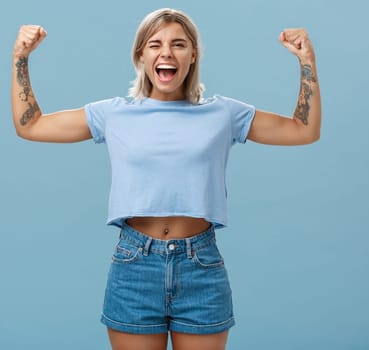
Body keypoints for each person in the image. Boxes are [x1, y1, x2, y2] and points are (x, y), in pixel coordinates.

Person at [11, 8, 320, 350]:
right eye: (155, 44)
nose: (166, 53)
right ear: (141, 55)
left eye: (179, 44)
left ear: (193, 55)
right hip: (134, 266)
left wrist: (307, 61)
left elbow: (302, 130)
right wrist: (20, 58)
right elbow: (31, 125)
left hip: (200, 266)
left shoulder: (224, 114)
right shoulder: (113, 114)